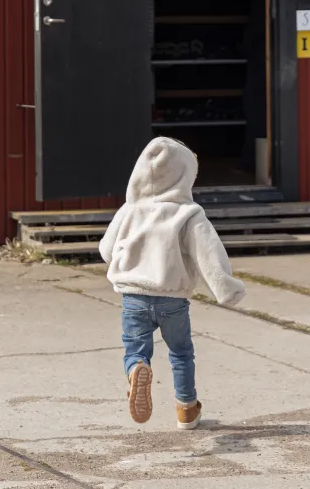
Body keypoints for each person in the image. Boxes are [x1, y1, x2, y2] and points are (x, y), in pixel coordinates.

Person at [99, 136, 247, 430]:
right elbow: (209, 255)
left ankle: (137, 369)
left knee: (135, 350)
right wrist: (227, 289)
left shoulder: (129, 210)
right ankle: (187, 409)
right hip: (172, 299)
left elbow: (106, 250)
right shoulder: (189, 213)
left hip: (134, 296)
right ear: (185, 175)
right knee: (181, 353)